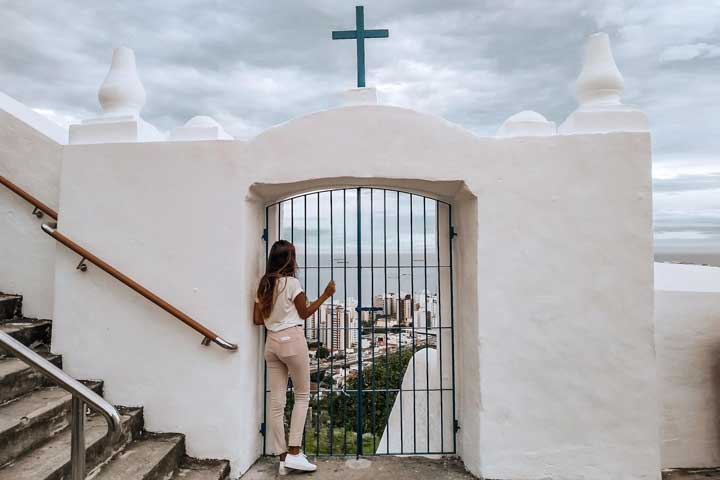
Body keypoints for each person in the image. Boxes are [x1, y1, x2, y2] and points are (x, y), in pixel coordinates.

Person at [254, 240, 336, 475]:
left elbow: (258, 320)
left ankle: (282, 458)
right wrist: (326, 294)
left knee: (276, 402)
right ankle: (294, 452)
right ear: (290, 259)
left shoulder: (264, 285)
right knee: (302, 395)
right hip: (292, 341)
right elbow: (306, 312)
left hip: (271, 344)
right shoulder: (292, 283)